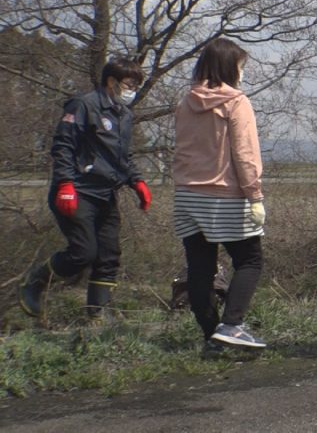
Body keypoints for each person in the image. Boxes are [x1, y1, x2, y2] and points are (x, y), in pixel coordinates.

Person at [19, 58, 151, 320]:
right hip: (77, 190)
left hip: (105, 193)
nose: (132, 89)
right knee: (83, 253)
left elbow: (121, 158)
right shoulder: (84, 105)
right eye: (129, 84)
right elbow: (63, 147)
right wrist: (66, 184)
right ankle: (35, 282)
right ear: (111, 81)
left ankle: (97, 316)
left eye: (136, 85)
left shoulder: (124, 115)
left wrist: (137, 182)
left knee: (109, 256)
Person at [173, 38, 267, 351]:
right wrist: (254, 195)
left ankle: (211, 334)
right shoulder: (236, 101)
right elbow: (244, 153)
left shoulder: (185, 102)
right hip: (225, 195)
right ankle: (232, 325)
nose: (242, 73)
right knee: (250, 259)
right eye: (241, 67)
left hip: (187, 194)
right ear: (229, 68)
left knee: (200, 266)